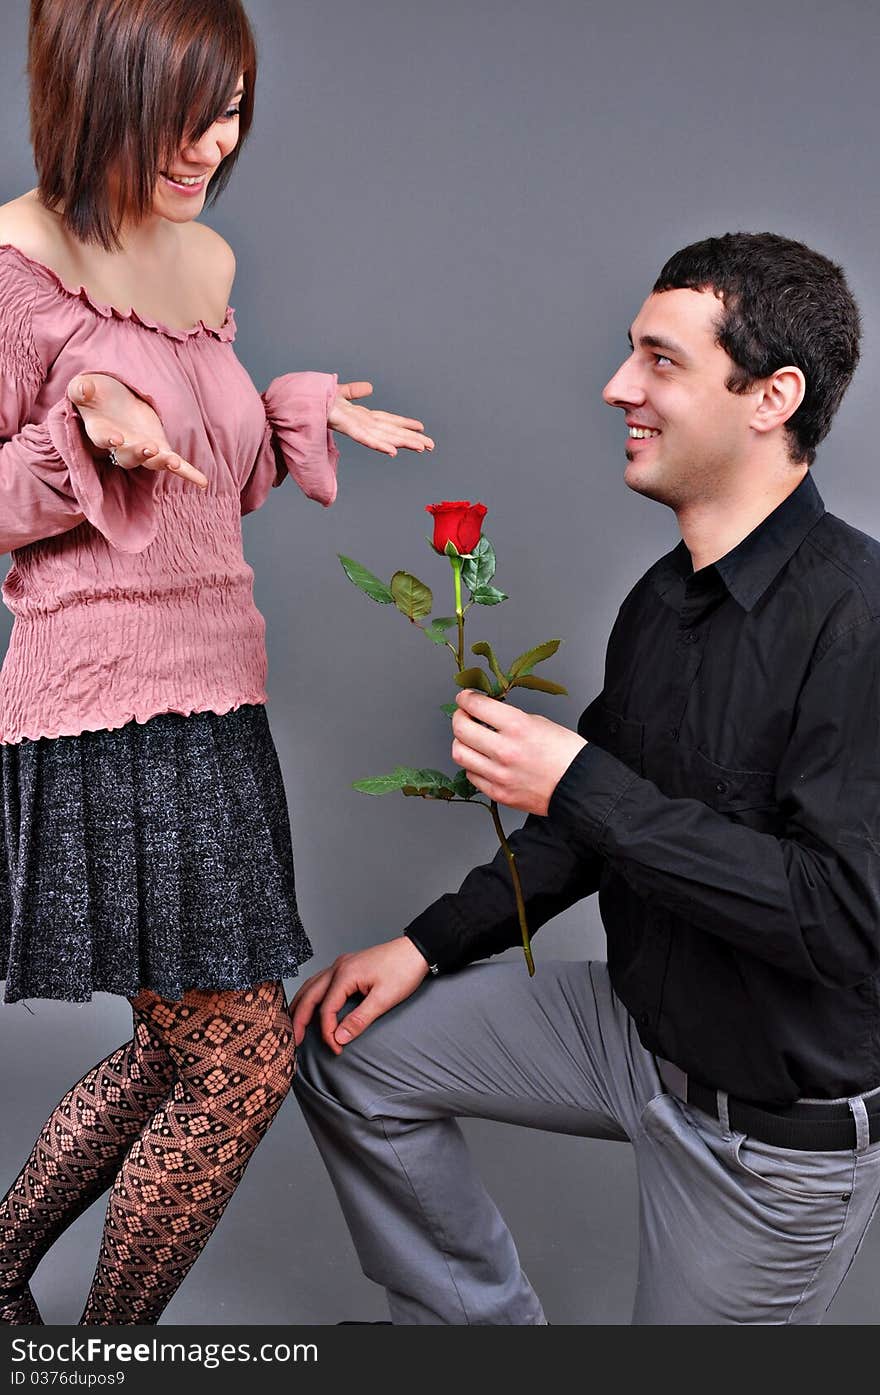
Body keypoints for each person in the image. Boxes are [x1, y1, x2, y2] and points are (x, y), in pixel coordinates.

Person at [291, 231, 880, 1325]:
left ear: (771, 397)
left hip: (765, 1136)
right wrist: (424, 943)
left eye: (660, 361)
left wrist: (577, 781)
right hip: (636, 1036)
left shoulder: (858, 618)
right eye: (628, 355)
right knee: (348, 1054)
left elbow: (846, 924)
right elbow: (585, 827)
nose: (616, 387)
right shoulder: (660, 600)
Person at [0, 0, 433, 1327]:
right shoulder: (17, 265)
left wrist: (288, 408)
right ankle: (105, 1357)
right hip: (103, 711)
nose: (218, 141)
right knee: (238, 1064)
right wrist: (83, 439)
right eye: (189, 109)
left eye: (235, 107)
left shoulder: (206, 256)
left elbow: (209, 485)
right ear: (101, 90)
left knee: (173, 1048)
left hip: (217, 701)